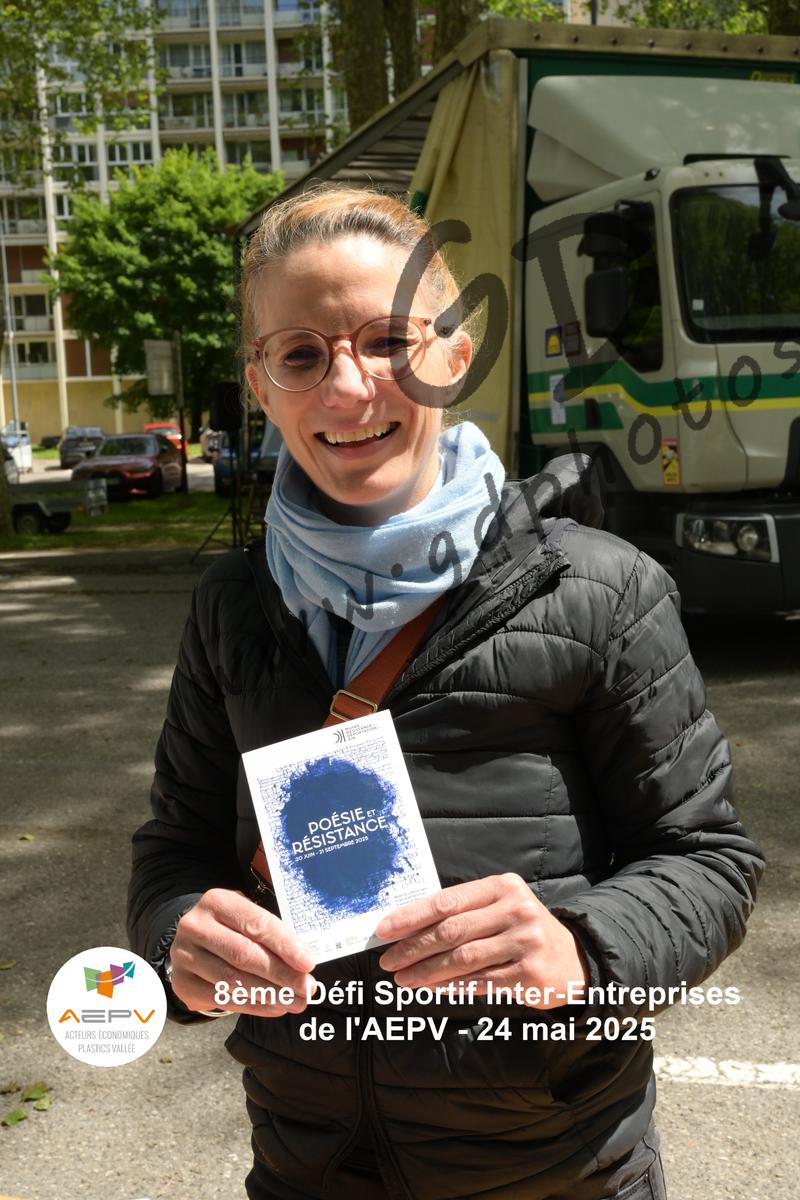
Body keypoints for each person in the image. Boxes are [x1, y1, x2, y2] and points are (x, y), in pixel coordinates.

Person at [128, 185, 763, 1200]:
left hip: (553, 1165)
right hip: (310, 1163)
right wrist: (175, 938)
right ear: (262, 386)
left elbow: (707, 861)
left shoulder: (596, 589)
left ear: (455, 355)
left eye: (389, 342)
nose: (348, 389)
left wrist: (581, 950)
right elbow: (175, 849)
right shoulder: (233, 605)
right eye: (301, 355)